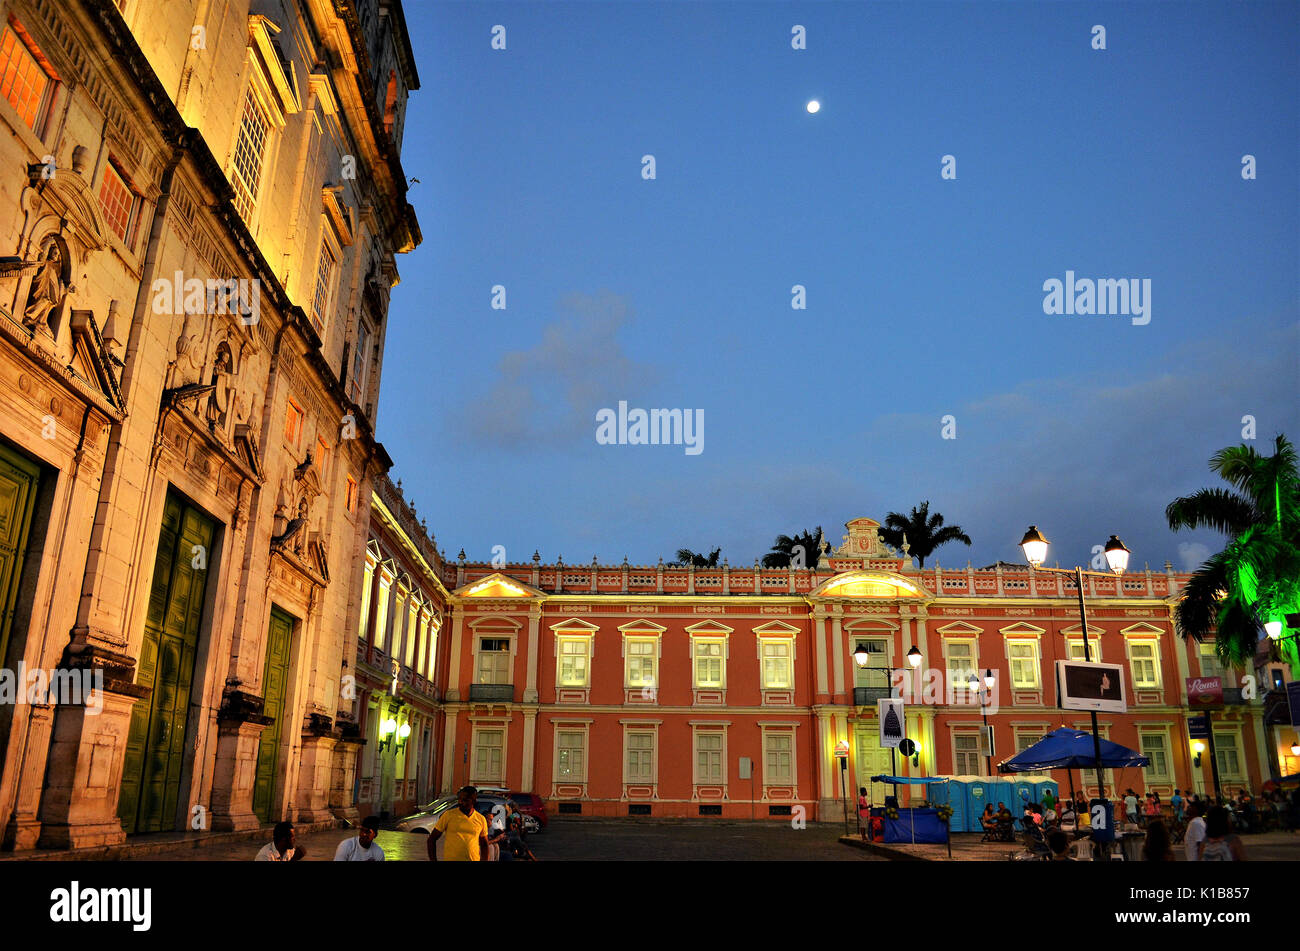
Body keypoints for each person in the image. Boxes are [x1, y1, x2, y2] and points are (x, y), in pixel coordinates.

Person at [429, 785, 490, 862]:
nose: (460, 802)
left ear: (473, 801)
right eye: (459, 799)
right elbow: (432, 839)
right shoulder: (448, 815)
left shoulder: (481, 819)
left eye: (465, 800)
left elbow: (484, 844)